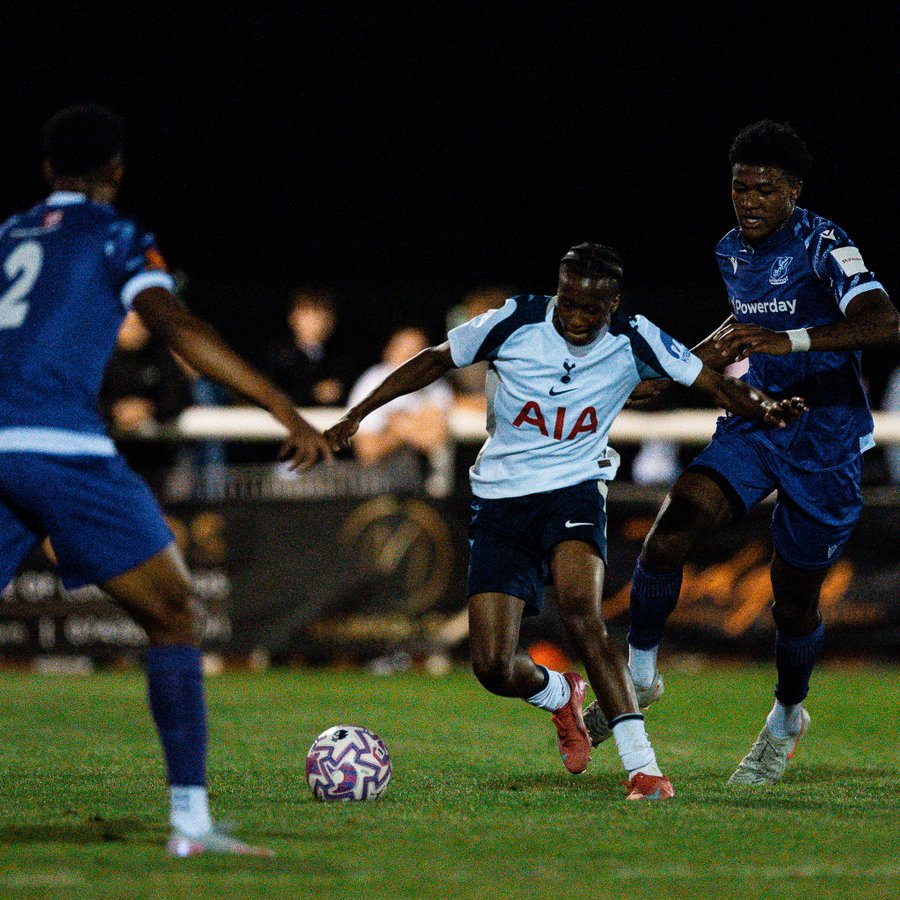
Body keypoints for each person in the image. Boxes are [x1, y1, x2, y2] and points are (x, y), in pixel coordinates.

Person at [326, 242, 805, 801]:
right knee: (492, 666)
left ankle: (643, 769)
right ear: (559, 291)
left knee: (583, 615)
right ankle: (561, 694)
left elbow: (711, 382)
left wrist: (763, 406)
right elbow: (434, 359)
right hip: (502, 501)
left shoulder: (635, 335)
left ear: (613, 304)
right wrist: (358, 414)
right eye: (569, 304)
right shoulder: (514, 320)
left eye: (590, 310)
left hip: (575, 492)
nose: (577, 318)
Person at [0, 105, 332, 855]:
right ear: (115, 171)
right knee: (176, 617)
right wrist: (282, 407)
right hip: (60, 446)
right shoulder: (115, 235)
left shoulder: (8, 236)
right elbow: (178, 327)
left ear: (47, 169)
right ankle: (190, 822)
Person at [584, 121, 899, 785]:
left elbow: (884, 320)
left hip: (826, 438)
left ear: (793, 192)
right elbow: (739, 331)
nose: (749, 201)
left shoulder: (824, 242)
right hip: (757, 424)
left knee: (793, 606)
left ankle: (787, 717)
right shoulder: (731, 250)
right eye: (739, 188)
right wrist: (685, 366)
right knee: (671, 532)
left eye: (764, 189)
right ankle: (640, 676)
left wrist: (793, 343)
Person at [100, 309, 193, 494]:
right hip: (108, 462)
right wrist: (115, 412)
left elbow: (179, 396)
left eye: (141, 324)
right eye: (130, 324)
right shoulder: (98, 359)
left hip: (155, 464)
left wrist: (148, 410)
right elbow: (82, 400)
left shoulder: (159, 355)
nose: (137, 329)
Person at [346, 326, 453, 467]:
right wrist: (408, 429)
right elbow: (367, 451)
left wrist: (400, 425)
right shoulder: (372, 382)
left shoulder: (434, 385)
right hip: (375, 477)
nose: (412, 357)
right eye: (405, 350)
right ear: (389, 352)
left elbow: (434, 438)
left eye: (418, 351)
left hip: (416, 478)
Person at [266, 288, 356, 407]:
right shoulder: (279, 357)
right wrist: (313, 393)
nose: (317, 320)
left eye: (323, 313)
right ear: (293, 317)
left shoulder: (343, 358)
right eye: (308, 313)